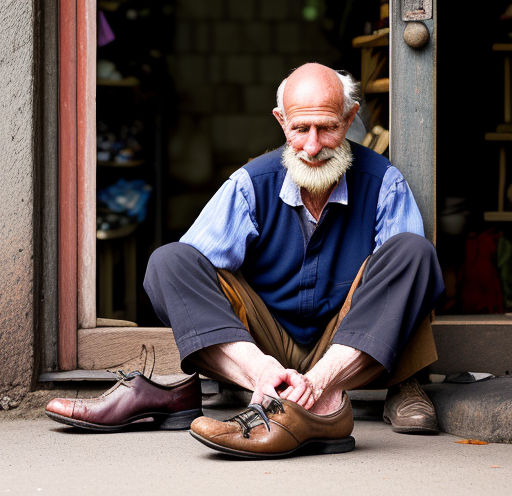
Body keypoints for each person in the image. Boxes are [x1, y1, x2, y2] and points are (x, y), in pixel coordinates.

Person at [144, 63, 445, 453]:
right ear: (281, 121)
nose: (314, 146)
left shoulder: (384, 183)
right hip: (264, 343)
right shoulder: (250, 184)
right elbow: (189, 273)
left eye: (328, 128)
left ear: (350, 118)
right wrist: (259, 366)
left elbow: (405, 284)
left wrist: (317, 378)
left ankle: (322, 391)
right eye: (301, 129)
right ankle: (268, 383)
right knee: (170, 261)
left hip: (346, 341)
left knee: (412, 252)